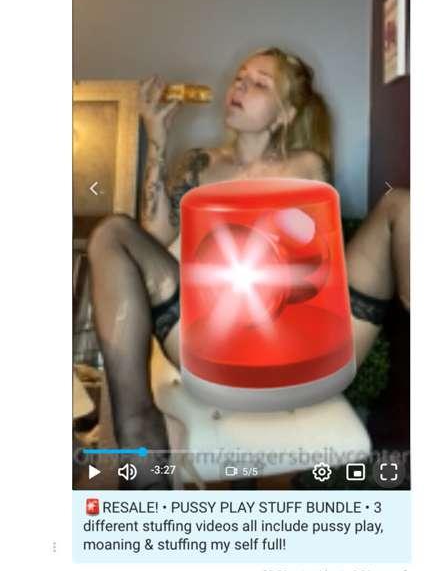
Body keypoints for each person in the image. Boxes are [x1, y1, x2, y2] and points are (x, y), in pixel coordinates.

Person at [87, 48, 410, 488]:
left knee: (402, 205)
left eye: (260, 83)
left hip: (297, 332)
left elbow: (308, 267)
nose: (240, 86)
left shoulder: (306, 166)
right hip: (213, 336)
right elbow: (156, 238)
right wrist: (157, 139)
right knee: (112, 232)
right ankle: (140, 434)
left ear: (284, 114)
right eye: (240, 78)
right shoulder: (198, 164)